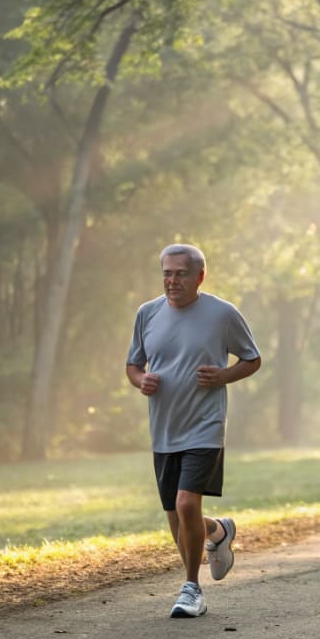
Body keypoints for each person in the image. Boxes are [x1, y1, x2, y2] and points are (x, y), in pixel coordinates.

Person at [125, 243, 262, 618]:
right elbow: (133, 365)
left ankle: (192, 590)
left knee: (186, 503)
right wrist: (141, 381)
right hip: (165, 427)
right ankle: (218, 532)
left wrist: (223, 375)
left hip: (206, 425)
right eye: (167, 273)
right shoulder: (147, 314)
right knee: (176, 515)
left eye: (181, 273)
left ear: (200, 276)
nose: (172, 280)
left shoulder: (222, 314)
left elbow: (252, 358)